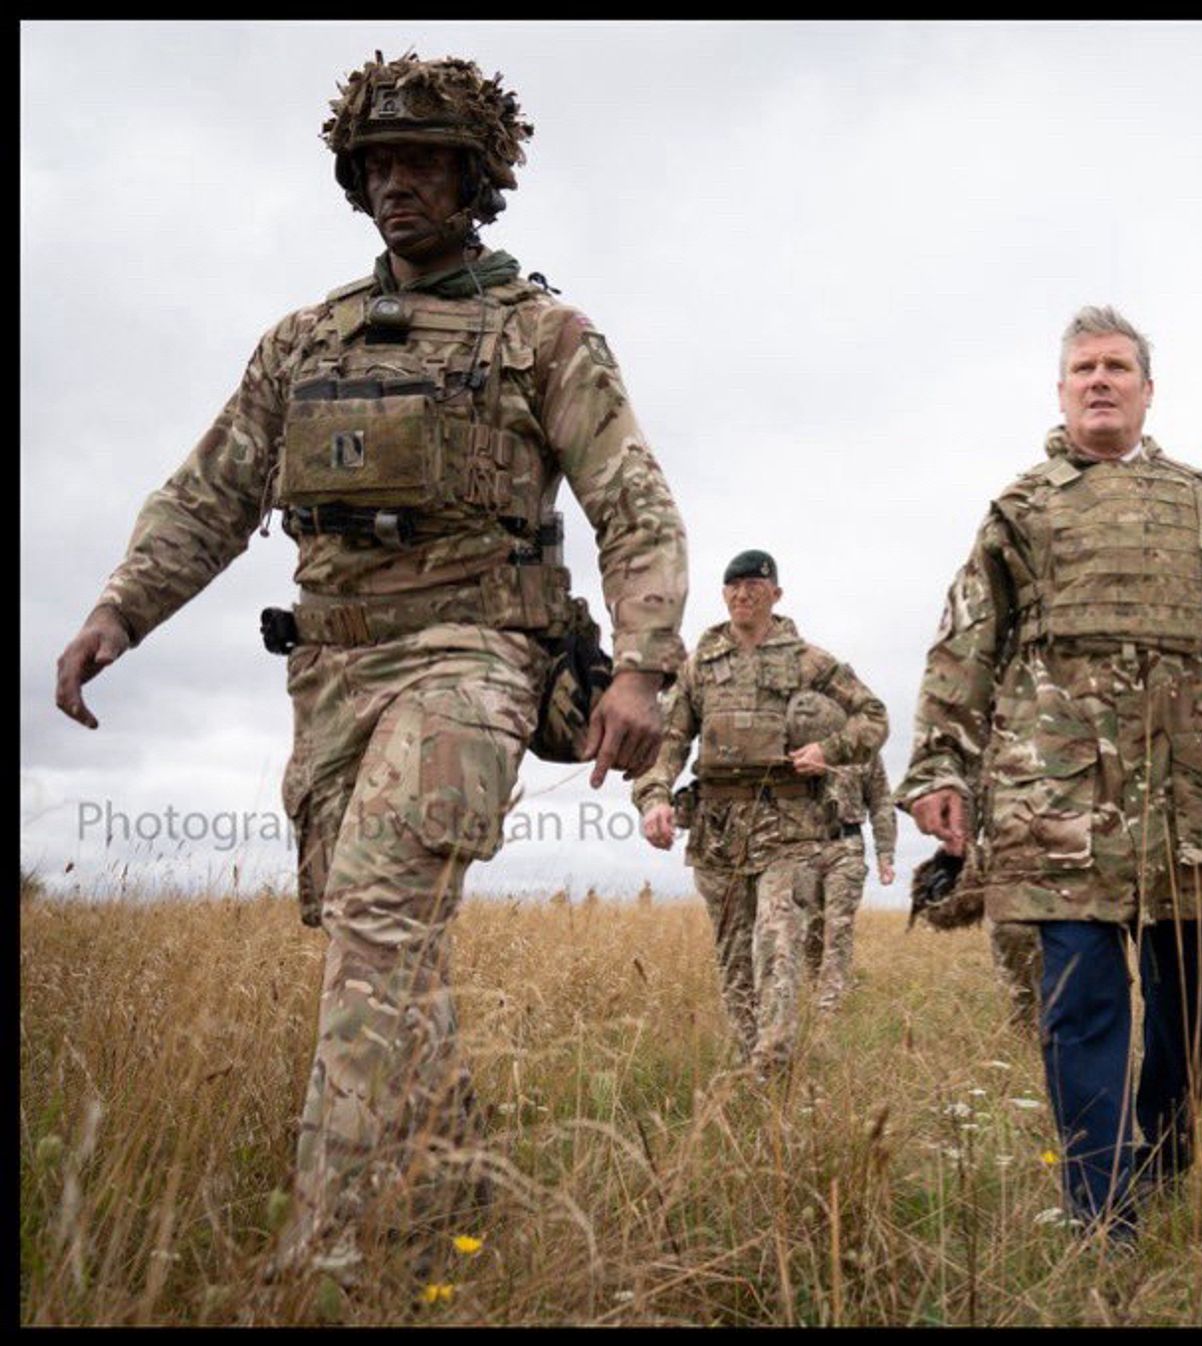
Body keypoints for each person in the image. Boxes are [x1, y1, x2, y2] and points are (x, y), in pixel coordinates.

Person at [51, 52, 690, 1279]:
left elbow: (636, 506)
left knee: (381, 916)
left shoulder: (541, 335)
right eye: (381, 163)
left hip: (477, 658)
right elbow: (213, 492)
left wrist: (643, 668)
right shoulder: (302, 344)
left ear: (475, 176)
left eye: (428, 161)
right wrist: (117, 611)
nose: (401, 183)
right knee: (375, 936)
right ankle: (456, 1190)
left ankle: (324, 1251)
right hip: (332, 674)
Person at [900, 306, 1202, 1241]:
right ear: (1060, 391)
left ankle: (1165, 1159)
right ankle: (1100, 1208)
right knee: (1084, 1001)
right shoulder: (1021, 508)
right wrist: (939, 764)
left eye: (1117, 366)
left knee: (1179, 1002)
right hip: (1057, 800)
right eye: (1084, 367)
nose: (1100, 380)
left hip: (1188, 798)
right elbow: (964, 644)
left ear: (1146, 389)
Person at [634, 551, 888, 1077]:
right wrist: (655, 796)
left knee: (777, 939)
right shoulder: (699, 667)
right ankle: (752, 1054)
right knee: (733, 953)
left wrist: (830, 750)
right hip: (718, 830)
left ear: (776, 593)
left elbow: (874, 716)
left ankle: (771, 1059)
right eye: (733, 586)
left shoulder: (809, 663)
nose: (742, 594)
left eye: (754, 585)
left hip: (790, 828)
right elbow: (668, 741)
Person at [791, 691, 897, 1012]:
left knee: (839, 926)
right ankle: (811, 991)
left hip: (846, 846)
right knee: (810, 928)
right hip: (802, 847)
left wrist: (885, 854)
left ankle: (829, 1006)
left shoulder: (861, 750)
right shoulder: (796, 744)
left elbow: (880, 801)